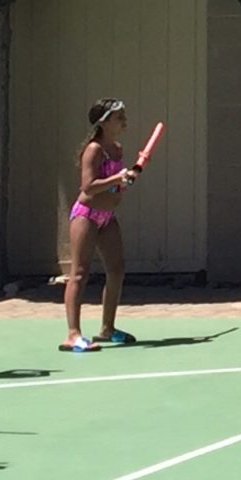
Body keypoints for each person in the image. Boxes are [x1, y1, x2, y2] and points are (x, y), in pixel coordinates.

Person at [62, 99, 141, 353]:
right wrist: (117, 178)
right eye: (119, 117)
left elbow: (113, 185)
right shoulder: (94, 150)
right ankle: (73, 334)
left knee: (117, 269)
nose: (124, 120)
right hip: (86, 215)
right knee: (79, 273)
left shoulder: (116, 149)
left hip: (107, 216)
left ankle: (108, 327)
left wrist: (123, 182)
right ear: (104, 122)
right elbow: (88, 187)